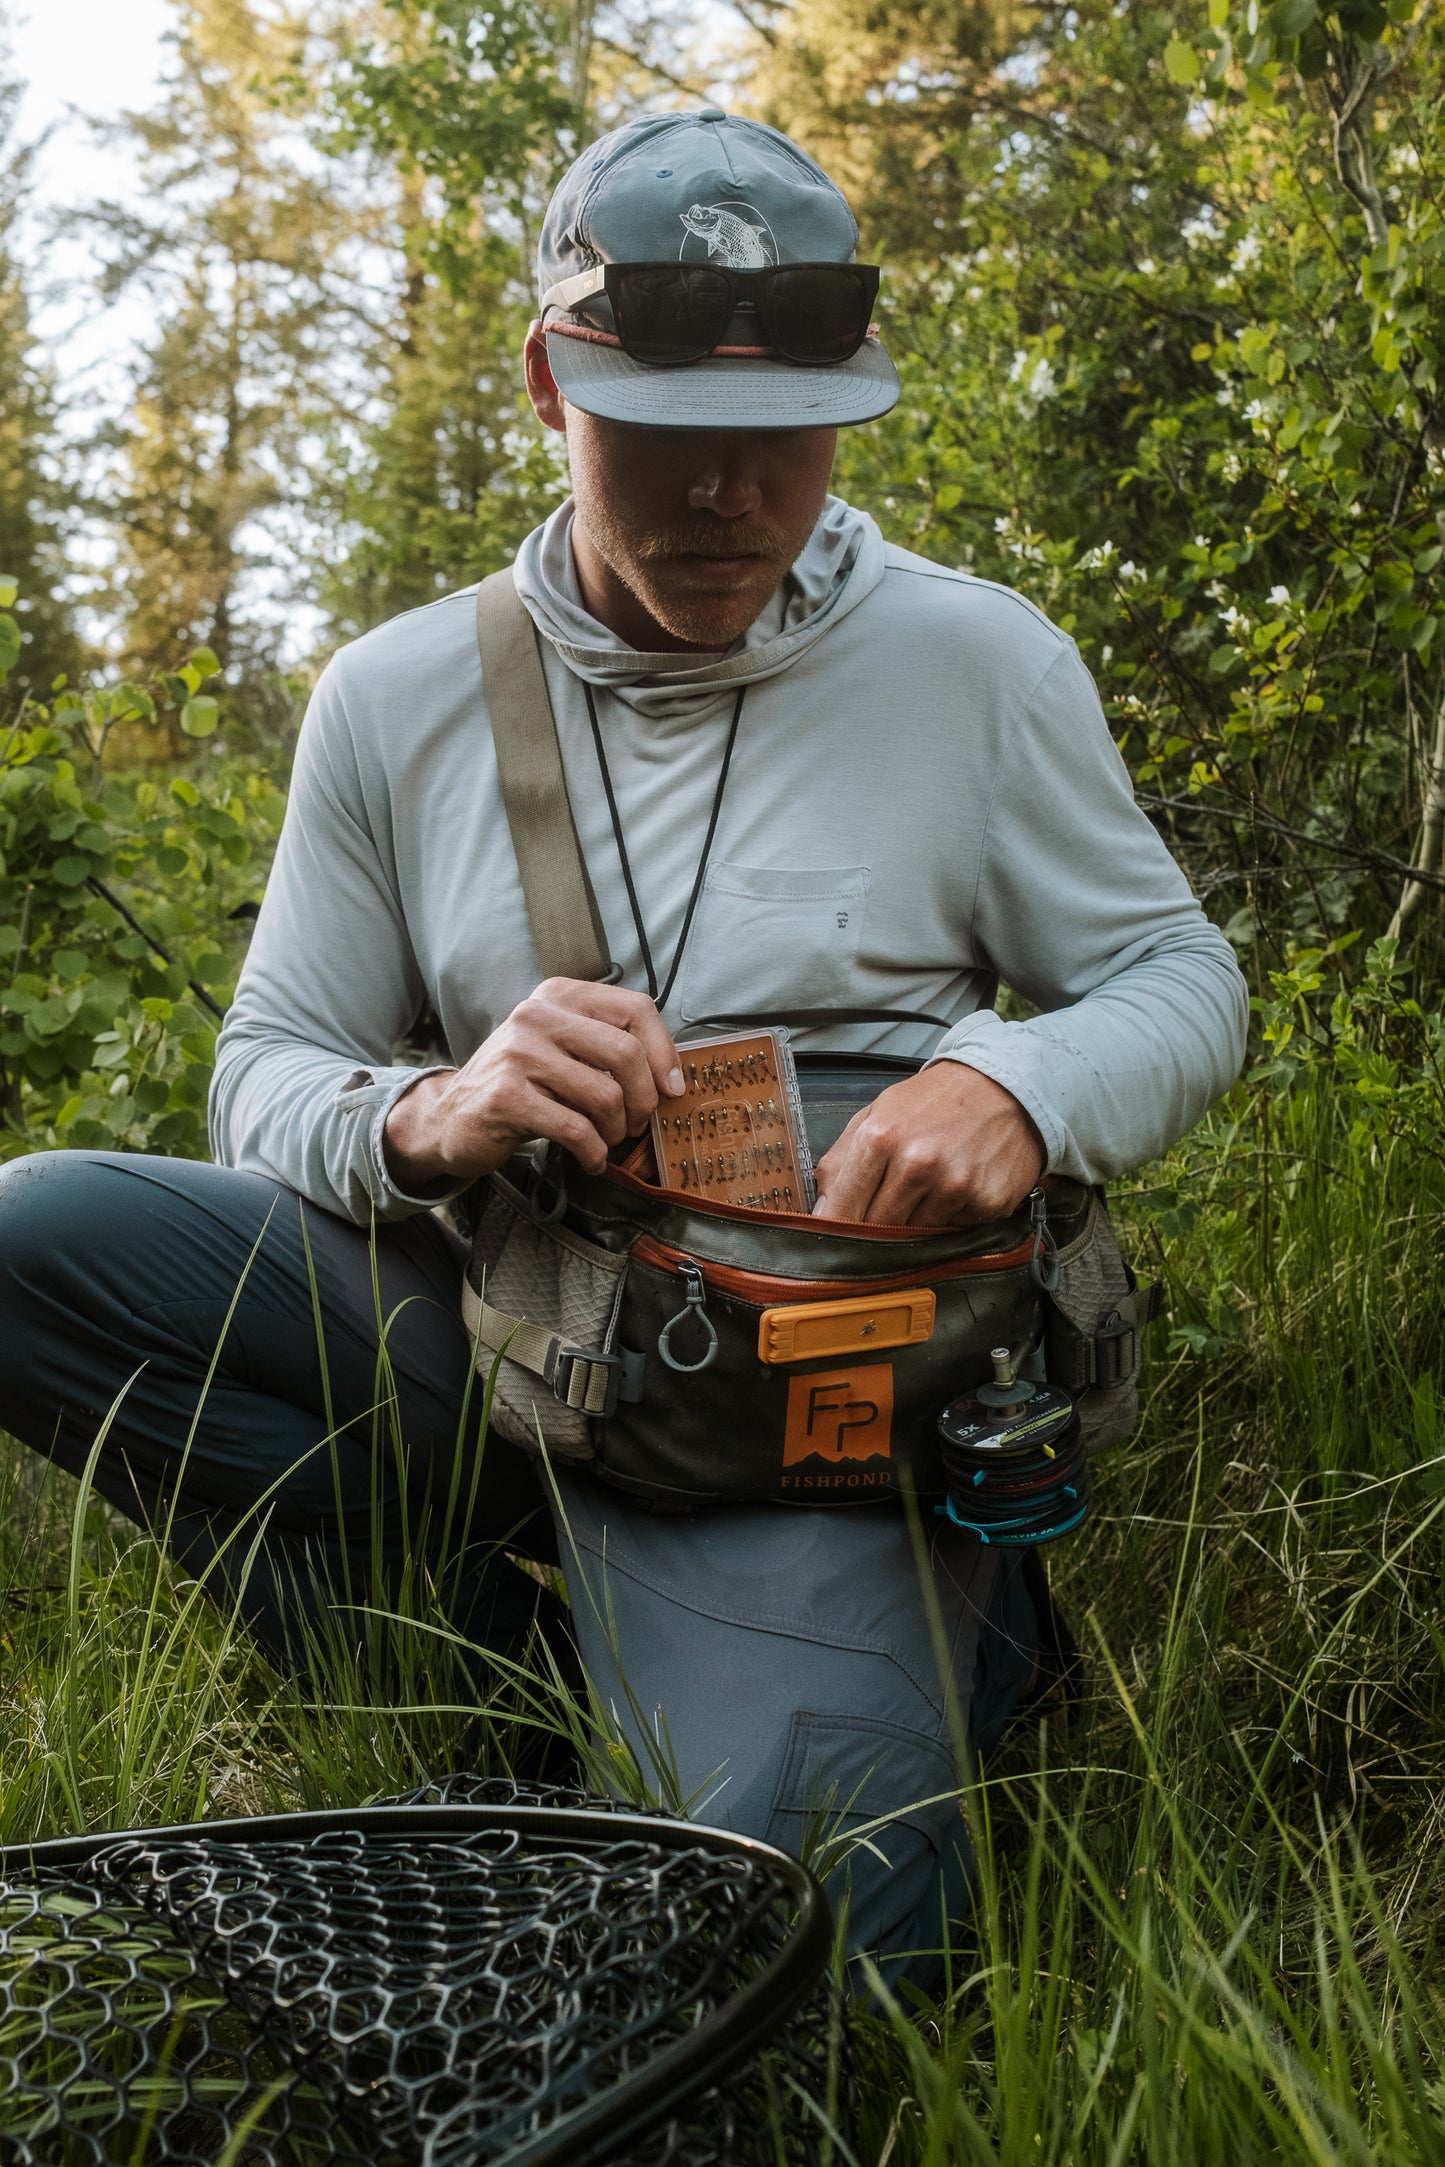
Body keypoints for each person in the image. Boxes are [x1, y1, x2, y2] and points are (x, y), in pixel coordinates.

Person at [0, 110, 1246, 1986]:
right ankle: (468, 1687)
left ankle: (795, 1650)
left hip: (793, 1385)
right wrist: (428, 1113)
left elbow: (1176, 979)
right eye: (665, 437)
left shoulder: (977, 666)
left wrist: (1018, 1080)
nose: (731, 498)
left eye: (786, 439)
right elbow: (265, 1065)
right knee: (30, 1243)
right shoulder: (397, 696)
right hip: (498, 1306)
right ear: (547, 386)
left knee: (805, 1905)